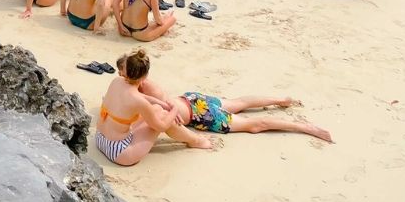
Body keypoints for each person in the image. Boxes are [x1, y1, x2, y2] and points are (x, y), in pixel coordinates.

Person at [125, 59, 333, 141]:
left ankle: (305, 127)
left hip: (201, 114)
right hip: (192, 99)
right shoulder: (146, 84)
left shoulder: (137, 93)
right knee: (238, 103)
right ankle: (280, 100)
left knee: (255, 125)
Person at [92, 50, 212, 166]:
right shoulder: (138, 102)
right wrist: (174, 109)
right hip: (119, 152)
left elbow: (138, 96)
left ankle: (194, 139)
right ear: (145, 76)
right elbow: (162, 126)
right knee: (163, 116)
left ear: (125, 71)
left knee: (157, 109)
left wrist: (163, 104)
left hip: (100, 139)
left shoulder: (117, 82)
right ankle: (195, 141)